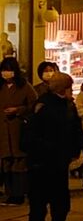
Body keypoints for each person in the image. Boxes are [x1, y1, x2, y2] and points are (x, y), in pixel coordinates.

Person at [25, 71, 83, 221]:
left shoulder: (67, 106)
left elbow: (75, 130)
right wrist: (46, 149)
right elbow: (32, 135)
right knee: (39, 200)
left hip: (59, 160)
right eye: (69, 87)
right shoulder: (43, 105)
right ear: (63, 88)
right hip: (41, 161)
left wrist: (74, 150)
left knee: (60, 199)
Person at [0, 57, 37, 206]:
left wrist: (18, 110)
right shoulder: (1, 87)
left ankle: (19, 194)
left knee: (19, 163)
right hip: (2, 130)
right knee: (6, 163)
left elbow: (34, 104)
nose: (6, 73)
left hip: (18, 128)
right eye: (3, 70)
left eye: (9, 70)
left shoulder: (25, 86)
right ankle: (9, 193)